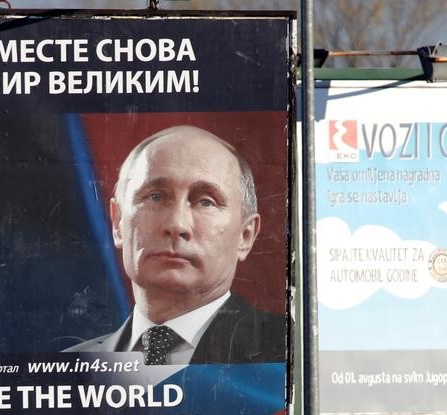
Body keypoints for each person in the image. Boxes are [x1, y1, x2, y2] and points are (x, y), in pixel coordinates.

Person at [66, 125, 285, 365]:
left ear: (245, 235)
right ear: (118, 223)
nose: (176, 224)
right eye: (155, 197)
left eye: (205, 202)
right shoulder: (67, 368)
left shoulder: (292, 351)